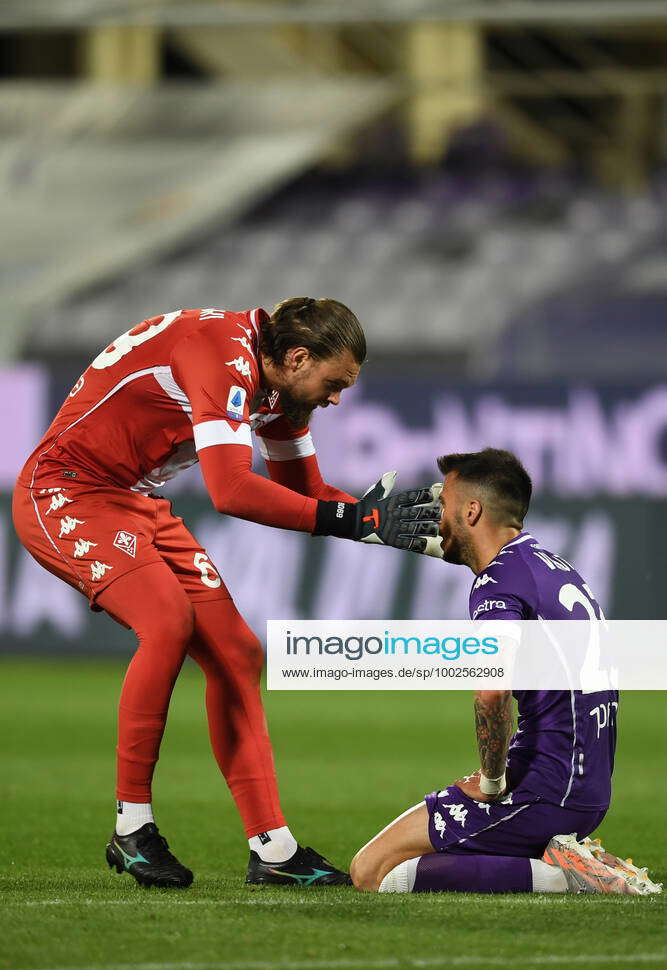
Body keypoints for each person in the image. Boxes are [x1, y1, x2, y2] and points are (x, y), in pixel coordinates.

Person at [13, 297, 440, 890]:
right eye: (334, 383)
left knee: (238, 653)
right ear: (296, 357)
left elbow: (304, 489)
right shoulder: (220, 353)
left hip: (134, 502)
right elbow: (232, 490)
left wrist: (385, 524)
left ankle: (274, 850)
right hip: (67, 491)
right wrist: (359, 523)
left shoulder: (280, 388)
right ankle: (131, 829)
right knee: (166, 621)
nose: (336, 398)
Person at [350, 447, 660, 896]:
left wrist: (493, 782)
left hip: (544, 790)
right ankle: (559, 855)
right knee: (427, 859)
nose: (434, 517)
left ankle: (567, 877)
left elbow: (492, 692)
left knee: (373, 872)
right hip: (585, 785)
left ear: (471, 511)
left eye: (443, 505)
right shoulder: (552, 568)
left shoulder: (498, 582)